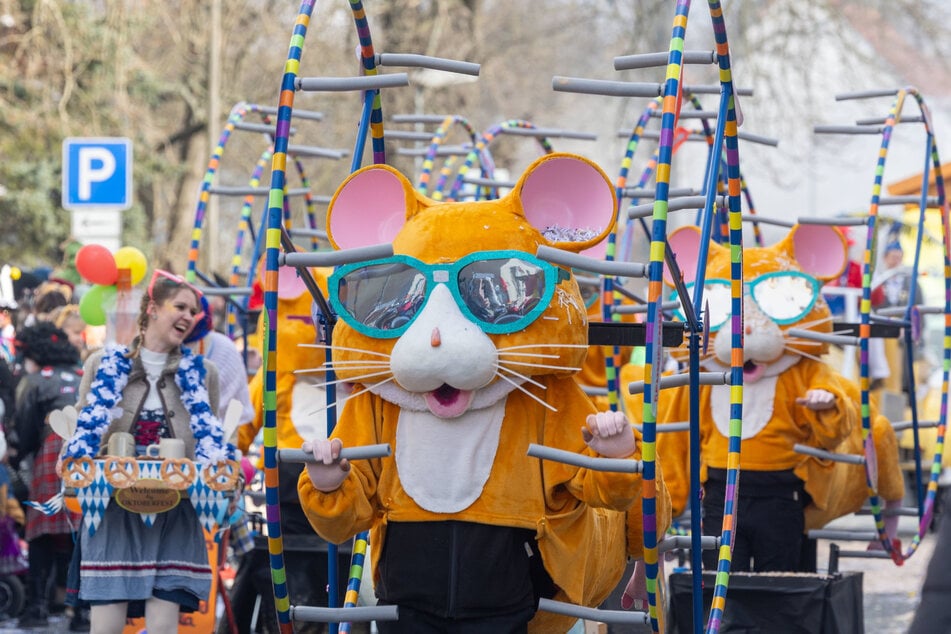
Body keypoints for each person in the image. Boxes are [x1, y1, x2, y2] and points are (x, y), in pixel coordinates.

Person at [59, 269, 233, 634]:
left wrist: (223, 479)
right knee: (106, 625)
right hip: (113, 511)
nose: (188, 316)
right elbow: (81, 432)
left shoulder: (205, 373)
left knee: (163, 627)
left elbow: (211, 442)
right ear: (152, 308)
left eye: (194, 311)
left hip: (176, 509)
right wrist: (73, 463)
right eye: (180, 306)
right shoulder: (102, 365)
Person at [12, 321, 87, 630]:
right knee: (79, 535)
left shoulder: (34, 380)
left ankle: (36, 609)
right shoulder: (83, 374)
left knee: (41, 532)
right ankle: (81, 615)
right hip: (85, 458)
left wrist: (17, 459)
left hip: (51, 453)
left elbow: (25, 432)